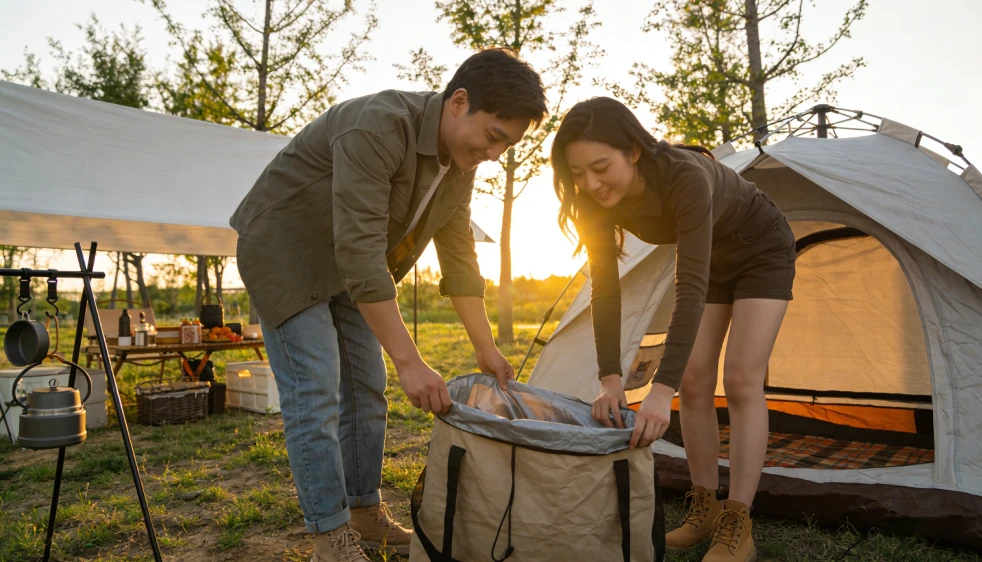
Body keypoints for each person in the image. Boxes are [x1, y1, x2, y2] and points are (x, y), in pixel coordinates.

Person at [230, 48, 547, 562]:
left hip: (350, 270)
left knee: (366, 387)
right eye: (493, 137)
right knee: (316, 389)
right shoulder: (378, 127)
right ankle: (329, 538)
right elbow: (358, 249)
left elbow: (460, 261)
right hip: (286, 253)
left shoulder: (459, 166)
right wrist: (411, 361)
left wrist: (486, 349)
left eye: (507, 146)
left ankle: (362, 512)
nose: (495, 154)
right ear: (458, 102)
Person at [550, 97, 795, 562]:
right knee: (695, 378)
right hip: (711, 261)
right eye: (578, 174)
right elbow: (604, 289)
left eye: (601, 167)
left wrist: (658, 390)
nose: (591, 184)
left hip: (760, 247)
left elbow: (688, 287)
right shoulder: (593, 201)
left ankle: (738, 522)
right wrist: (609, 378)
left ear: (634, 151)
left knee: (741, 377)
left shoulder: (685, 175)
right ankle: (705, 505)